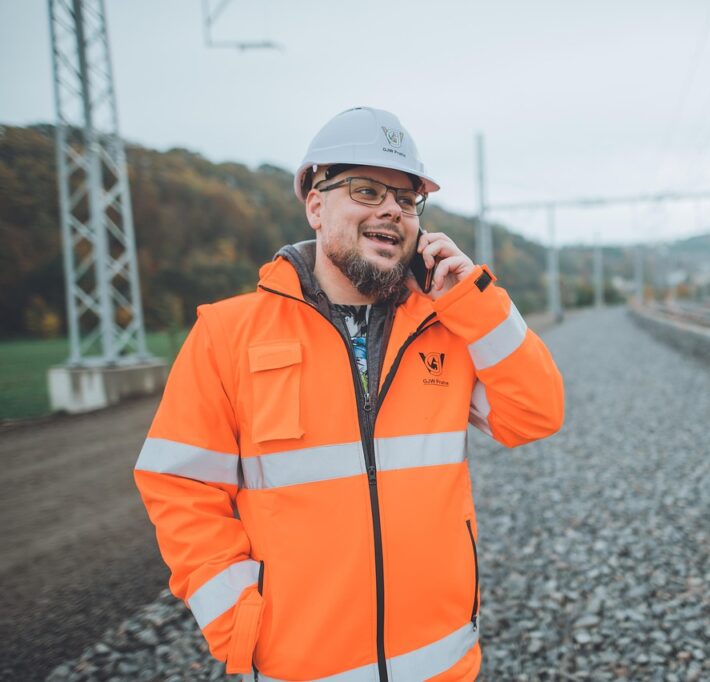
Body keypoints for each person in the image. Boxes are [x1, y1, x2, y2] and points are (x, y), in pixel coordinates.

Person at [134, 107, 564, 681]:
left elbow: (536, 415)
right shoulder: (228, 333)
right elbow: (179, 483)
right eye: (367, 191)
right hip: (300, 667)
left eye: (406, 200)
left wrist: (476, 299)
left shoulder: (448, 326)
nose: (392, 210)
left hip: (441, 663)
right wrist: (235, 617)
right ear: (316, 205)